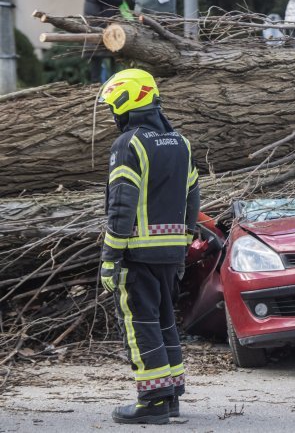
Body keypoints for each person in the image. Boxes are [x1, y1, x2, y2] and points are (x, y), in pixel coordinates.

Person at [97, 68, 200, 425]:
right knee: (163, 321)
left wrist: (110, 258)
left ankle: (152, 403)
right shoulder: (181, 143)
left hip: (135, 254)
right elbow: (193, 197)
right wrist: (184, 243)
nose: (114, 115)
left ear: (128, 102)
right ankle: (169, 395)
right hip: (171, 254)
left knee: (141, 325)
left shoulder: (130, 144)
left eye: (115, 107)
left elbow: (121, 207)